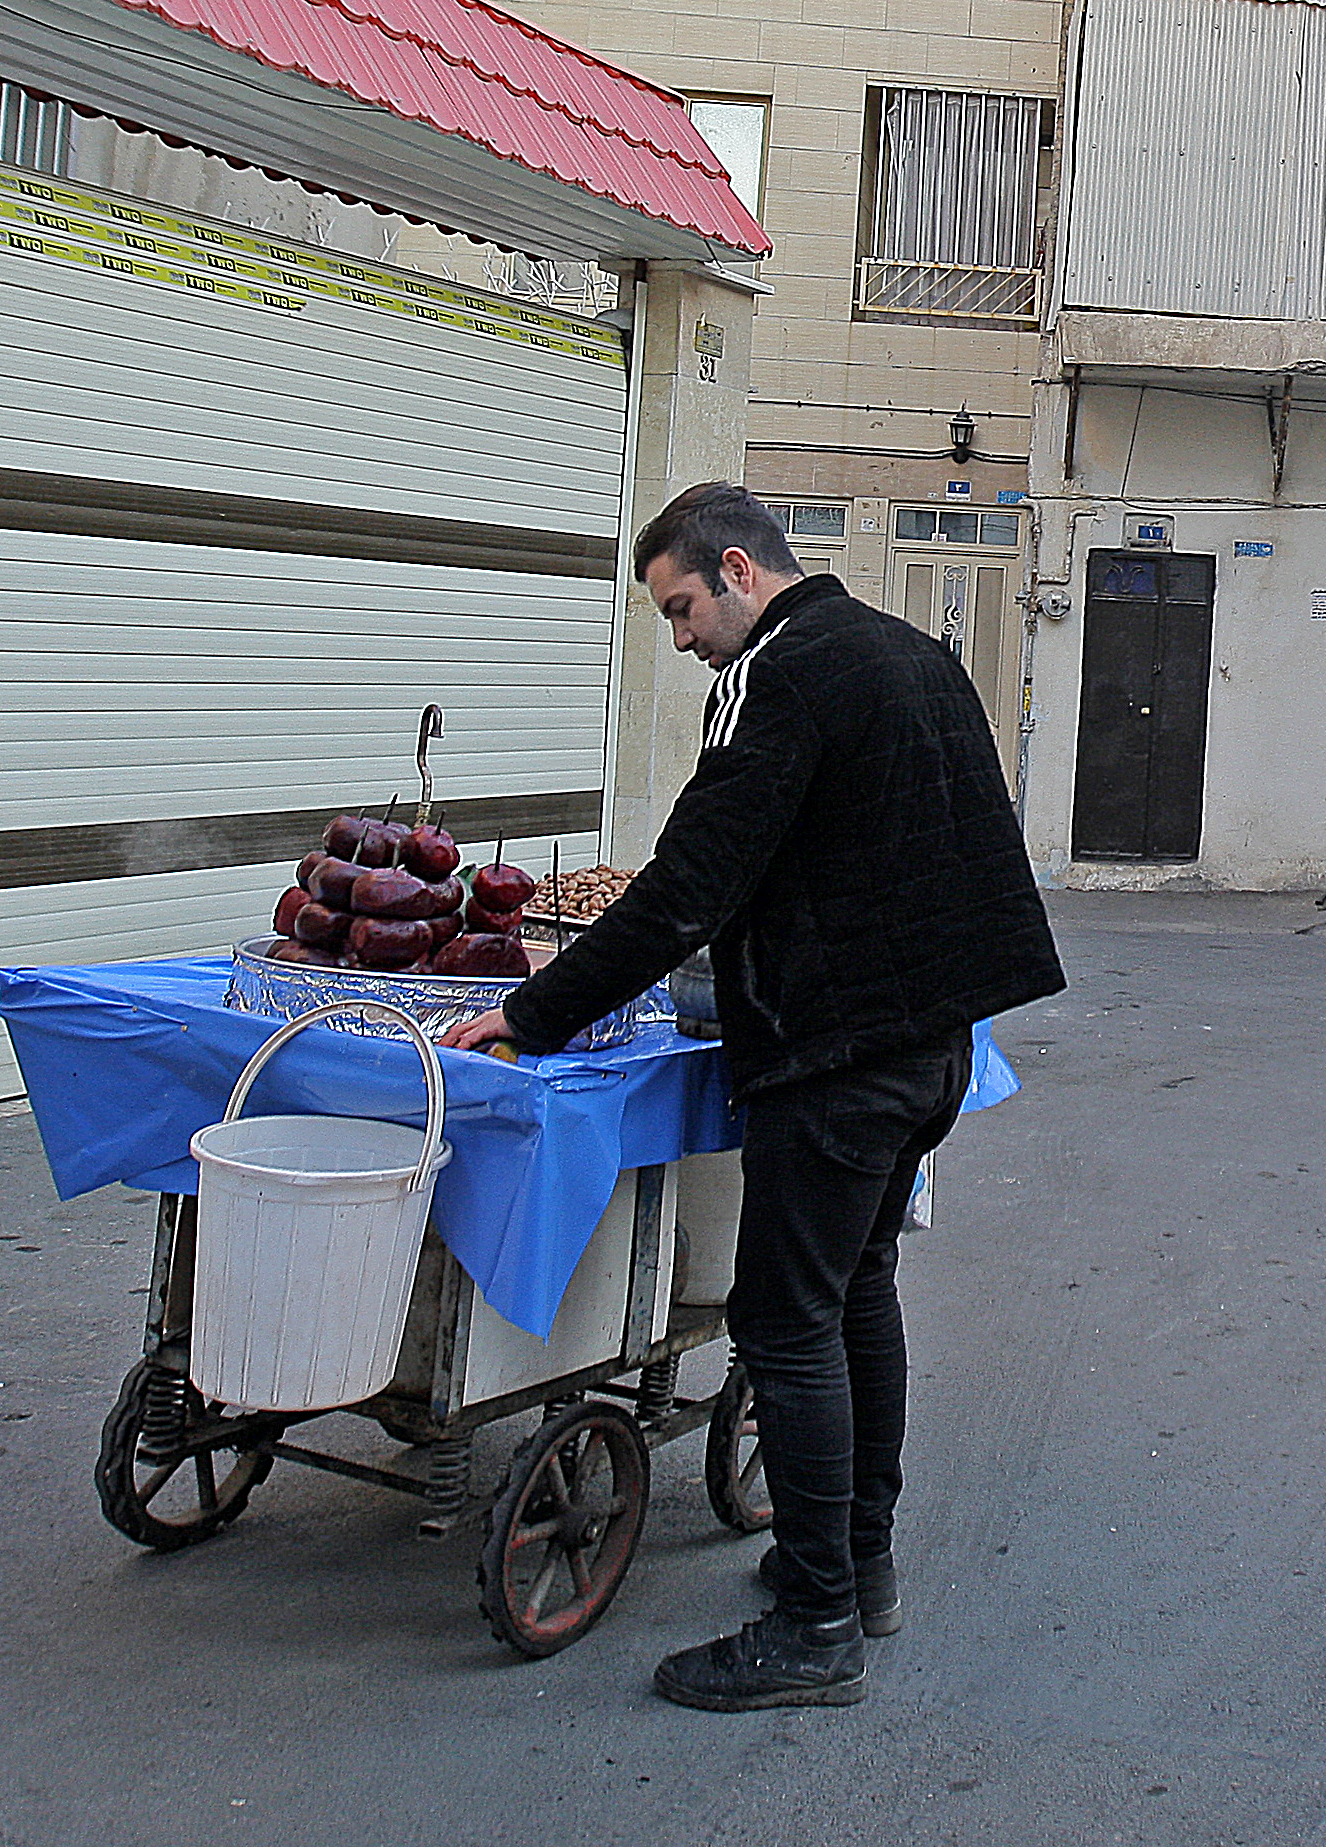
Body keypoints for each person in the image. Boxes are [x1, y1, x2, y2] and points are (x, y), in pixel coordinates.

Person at [439, 482, 1064, 1711]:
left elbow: (689, 886)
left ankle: (818, 1623)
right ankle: (857, 1568)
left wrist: (531, 1013)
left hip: (839, 1060)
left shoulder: (777, 676)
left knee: (786, 1322)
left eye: (680, 611)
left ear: (737, 571)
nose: (678, 642)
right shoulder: (910, 658)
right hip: (929, 1047)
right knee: (854, 1291)